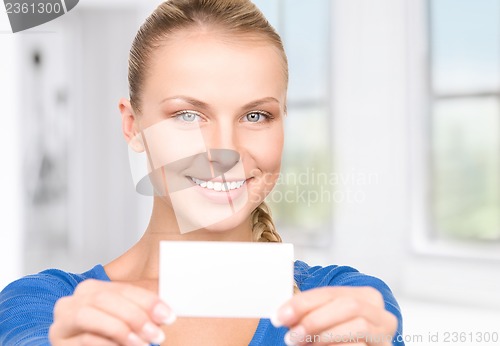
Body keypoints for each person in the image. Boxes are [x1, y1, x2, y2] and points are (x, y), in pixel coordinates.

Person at [0, 0, 405, 345]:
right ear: (133, 126)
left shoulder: (351, 302)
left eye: (256, 115)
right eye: (188, 115)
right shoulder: (42, 309)